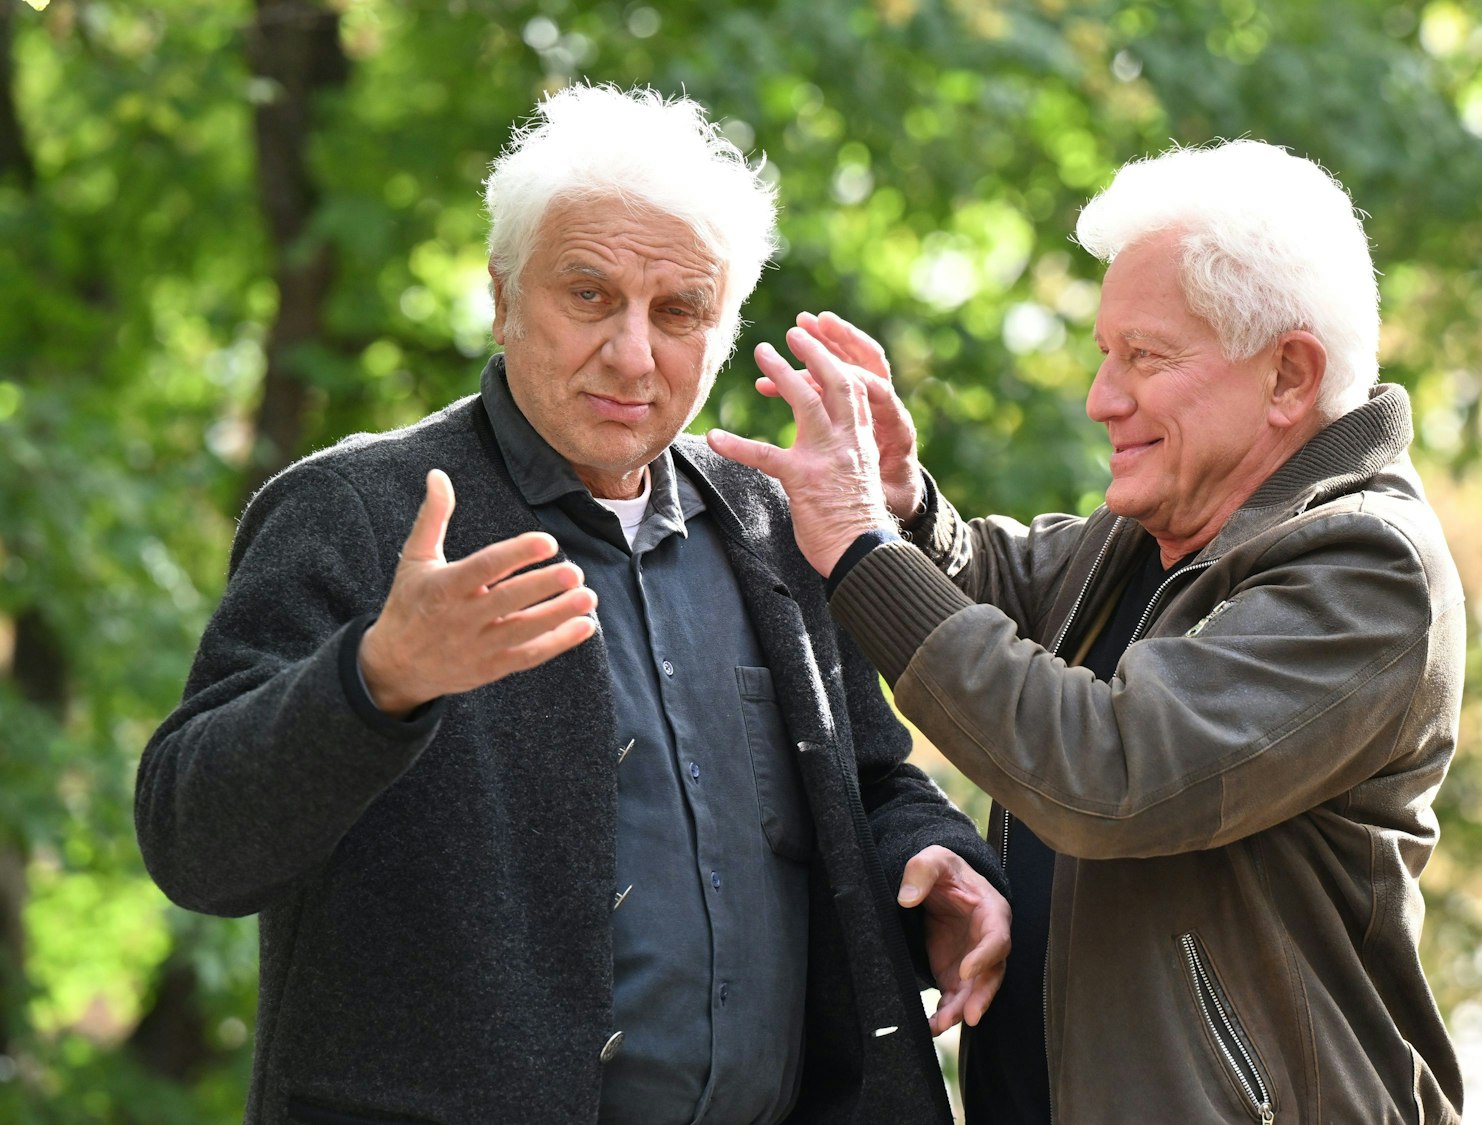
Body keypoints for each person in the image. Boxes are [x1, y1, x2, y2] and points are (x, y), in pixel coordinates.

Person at [135, 84, 1008, 1125]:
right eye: (589, 295)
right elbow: (193, 842)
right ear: (502, 297)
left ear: (721, 334)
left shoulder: (771, 523)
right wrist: (374, 682)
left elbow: (870, 782)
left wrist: (935, 861)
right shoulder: (359, 511)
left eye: (678, 311)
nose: (633, 354)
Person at [709, 139, 1466, 1124]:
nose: (1100, 398)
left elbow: (1111, 771)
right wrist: (902, 504)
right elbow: (998, 593)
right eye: (1106, 353)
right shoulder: (1156, 527)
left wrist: (860, 544)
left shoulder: (1368, 567)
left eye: (1145, 357)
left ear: (1288, 375)